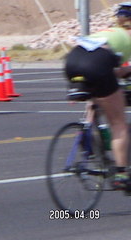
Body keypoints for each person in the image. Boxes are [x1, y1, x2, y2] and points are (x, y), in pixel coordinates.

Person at [65, 2, 131, 190]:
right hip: (98, 64)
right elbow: (117, 71)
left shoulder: (108, 32)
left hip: (73, 60)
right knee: (118, 122)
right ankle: (121, 173)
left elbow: (112, 70)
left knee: (97, 97)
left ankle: (88, 137)